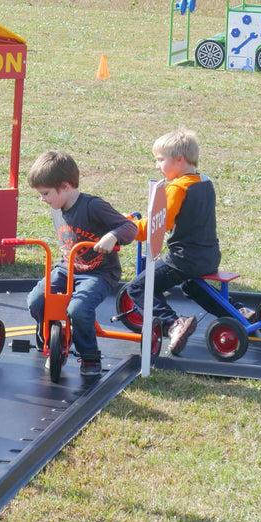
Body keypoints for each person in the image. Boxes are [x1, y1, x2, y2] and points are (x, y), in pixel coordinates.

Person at [26, 151, 138, 378]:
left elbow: (130, 228)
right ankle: (48, 337)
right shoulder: (57, 206)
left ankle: (89, 356)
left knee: (78, 309)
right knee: (36, 300)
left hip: (98, 273)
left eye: (45, 193)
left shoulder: (93, 206)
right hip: (67, 267)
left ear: (65, 186)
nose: (42, 199)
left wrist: (113, 236)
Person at [123, 128, 222, 356]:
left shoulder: (177, 188)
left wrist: (128, 228)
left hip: (183, 259)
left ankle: (173, 323)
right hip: (209, 256)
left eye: (160, 160)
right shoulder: (205, 182)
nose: (157, 166)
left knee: (137, 288)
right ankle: (238, 312)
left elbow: (159, 225)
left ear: (179, 160)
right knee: (192, 286)